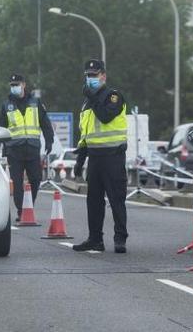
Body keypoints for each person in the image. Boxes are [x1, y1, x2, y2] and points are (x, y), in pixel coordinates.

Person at [72, 59, 129, 254]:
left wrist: (93, 97)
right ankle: (95, 239)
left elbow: (106, 116)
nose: (90, 79)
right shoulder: (87, 103)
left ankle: (120, 238)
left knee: (116, 200)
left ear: (103, 75)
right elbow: (85, 135)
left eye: (94, 75)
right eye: (88, 75)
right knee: (93, 201)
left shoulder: (113, 96)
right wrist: (80, 161)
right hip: (95, 159)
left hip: (113, 157)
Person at [0, 73, 54, 221]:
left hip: (33, 148)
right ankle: (22, 211)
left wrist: (49, 141)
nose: (14, 87)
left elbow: (45, 123)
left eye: (17, 84)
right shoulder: (6, 106)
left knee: (36, 179)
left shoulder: (35, 103)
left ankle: (29, 206)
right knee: (17, 182)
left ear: (24, 85)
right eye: (12, 85)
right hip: (14, 151)